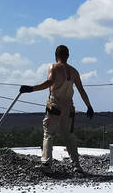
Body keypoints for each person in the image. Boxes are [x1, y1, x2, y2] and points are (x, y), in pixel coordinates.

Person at [20, 45, 94, 174]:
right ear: (68, 55)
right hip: (69, 108)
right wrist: (89, 106)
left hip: (55, 106)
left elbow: (49, 83)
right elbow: (81, 90)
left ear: (56, 55)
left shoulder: (53, 67)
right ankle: (76, 165)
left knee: (48, 134)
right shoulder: (74, 71)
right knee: (69, 136)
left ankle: (46, 164)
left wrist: (31, 89)